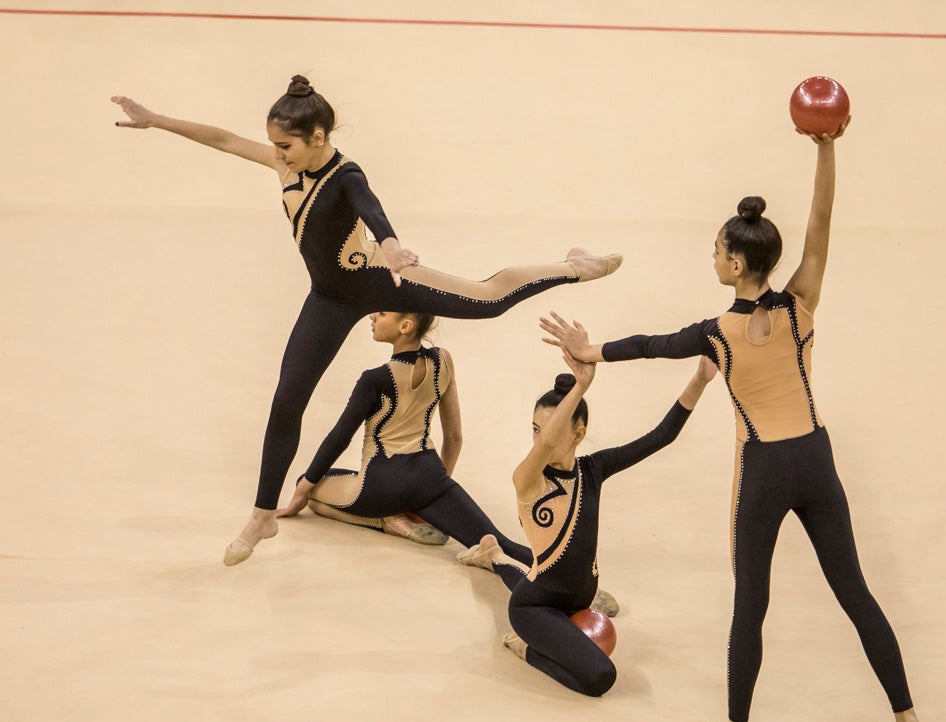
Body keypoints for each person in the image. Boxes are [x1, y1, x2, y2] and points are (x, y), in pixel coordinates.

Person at [539, 121, 942, 722]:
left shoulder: (716, 333)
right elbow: (820, 220)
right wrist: (827, 148)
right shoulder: (801, 303)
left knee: (750, 599)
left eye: (718, 249)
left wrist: (592, 351)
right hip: (814, 457)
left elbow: (651, 343)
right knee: (858, 595)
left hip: (764, 470)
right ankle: (908, 718)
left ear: (733, 263)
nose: (714, 256)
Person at [111, 76, 622, 564]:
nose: (277, 155)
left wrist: (395, 247)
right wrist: (155, 119)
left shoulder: (345, 176)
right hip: (328, 298)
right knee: (287, 400)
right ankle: (262, 515)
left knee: (489, 299)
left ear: (317, 138)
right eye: (274, 146)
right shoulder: (288, 164)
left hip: (381, 279)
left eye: (285, 147)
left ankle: (573, 266)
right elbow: (223, 139)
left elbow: (372, 211)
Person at [456, 353, 716, 696]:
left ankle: (494, 555)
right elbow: (548, 443)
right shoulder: (529, 480)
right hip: (536, 607)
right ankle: (525, 647)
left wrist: (699, 379)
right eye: (535, 429)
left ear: (579, 433)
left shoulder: (593, 470)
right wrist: (580, 386)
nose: (539, 439)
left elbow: (661, 436)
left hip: (580, 598)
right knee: (599, 677)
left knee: (532, 564)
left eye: (548, 429)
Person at [273, 310, 535, 570]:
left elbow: (338, 439)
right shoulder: (443, 360)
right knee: (498, 543)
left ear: (405, 326)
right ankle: (568, 580)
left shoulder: (374, 379)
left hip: (380, 486)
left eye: (383, 313)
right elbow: (454, 437)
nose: (372, 316)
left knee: (311, 492)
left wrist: (300, 493)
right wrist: (439, 486)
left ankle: (385, 521)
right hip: (430, 476)